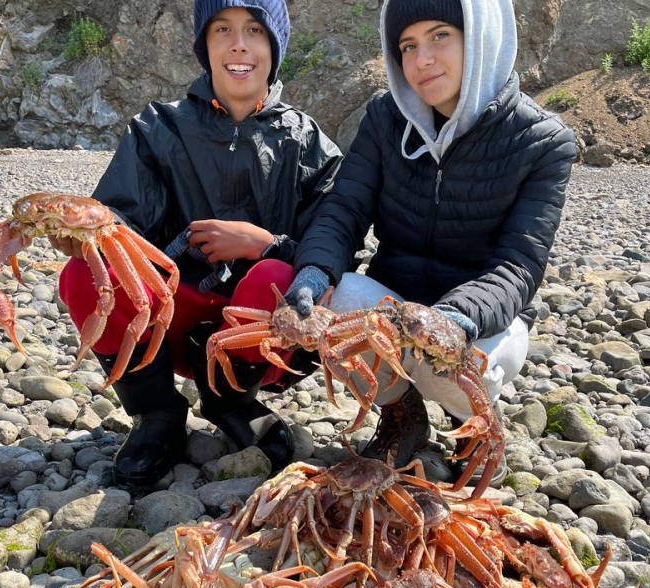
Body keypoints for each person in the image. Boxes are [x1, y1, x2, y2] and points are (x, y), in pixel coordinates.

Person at [54, 0, 342, 487]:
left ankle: (232, 402)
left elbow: (334, 247)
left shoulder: (310, 143)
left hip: (258, 336)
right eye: (221, 29)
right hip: (168, 314)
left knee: (279, 276)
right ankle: (156, 414)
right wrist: (85, 236)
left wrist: (266, 243)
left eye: (255, 29)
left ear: (275, 46)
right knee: (86, 272)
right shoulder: (156, 129)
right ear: (203, 46)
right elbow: (118, 217)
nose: (238, 44)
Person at [287, 0, 576, 483]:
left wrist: (455, 319)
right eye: (407, 45)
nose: (422, 59)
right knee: (336, 309)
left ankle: (477, 424)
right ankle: (403, 416)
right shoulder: (384, 118)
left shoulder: (543, 142)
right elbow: (344, 208)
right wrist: (315, 271)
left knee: (459, 365)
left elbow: (518, 266)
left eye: (440, 35)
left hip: (481, 318)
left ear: (480, 37)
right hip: (396, 300)